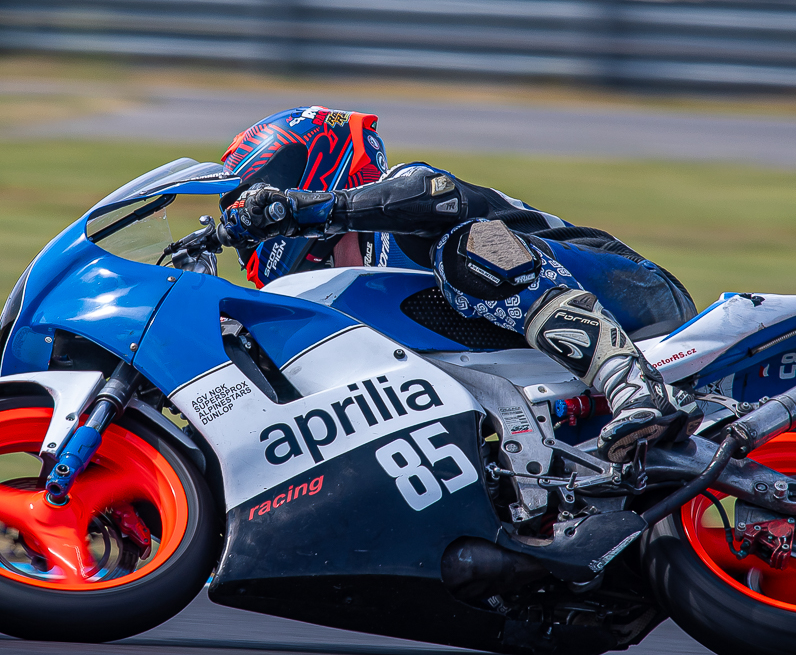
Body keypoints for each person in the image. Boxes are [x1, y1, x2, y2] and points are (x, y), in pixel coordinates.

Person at [218, 107, 698, 465]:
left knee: (469, 247)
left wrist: (310, 209)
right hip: (552, 396)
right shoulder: (341, 294)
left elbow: (435, 196)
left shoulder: (403, 192)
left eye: (253, 198)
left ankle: (635, 387)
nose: (248, 221)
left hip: (637, 295)